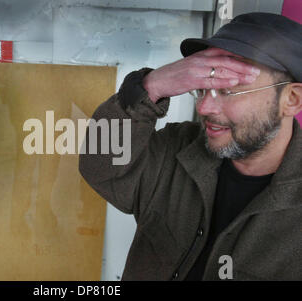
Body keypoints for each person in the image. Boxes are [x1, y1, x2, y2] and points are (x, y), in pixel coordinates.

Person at [79, 12, 302, 280]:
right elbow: (101, 167)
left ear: (291, 99)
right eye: (204, 87)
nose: (204, 107)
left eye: (229, 90)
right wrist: (149, 87)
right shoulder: (179, 147)